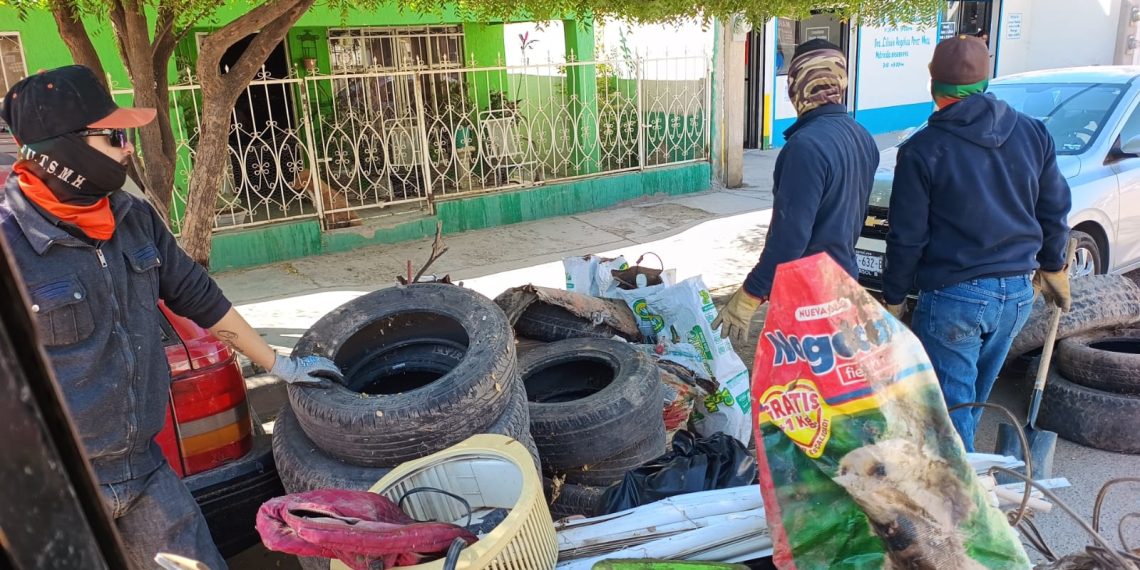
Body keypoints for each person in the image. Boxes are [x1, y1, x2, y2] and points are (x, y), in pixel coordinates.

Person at [0, 65, 344, 568]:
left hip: (143, 471)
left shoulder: (131, 219)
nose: (128, 149)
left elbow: (198, 297)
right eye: (114, 136)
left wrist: (279, 365)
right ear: (63, 150)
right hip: (53, 490)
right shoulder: (9, 245)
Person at [881, 36, 1072, 451]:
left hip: (956, 297)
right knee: (971, 401)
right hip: (1018, 294)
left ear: (934, 84)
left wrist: (894, 296)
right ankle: (971, 487)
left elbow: (907, 235)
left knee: (950, 415)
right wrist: (1053, 267)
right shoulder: (1032, 133)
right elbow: (1054, 209)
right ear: (985, 81)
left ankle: (963, 508)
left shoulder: (922, 150)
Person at [714, 39, 879, 341]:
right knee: (828, 384)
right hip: (844, 282)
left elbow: (790, 239)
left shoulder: (806, 147)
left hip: (809, 296)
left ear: (797, 86)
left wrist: (751, 293)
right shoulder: (862, 136)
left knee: (801, 385)